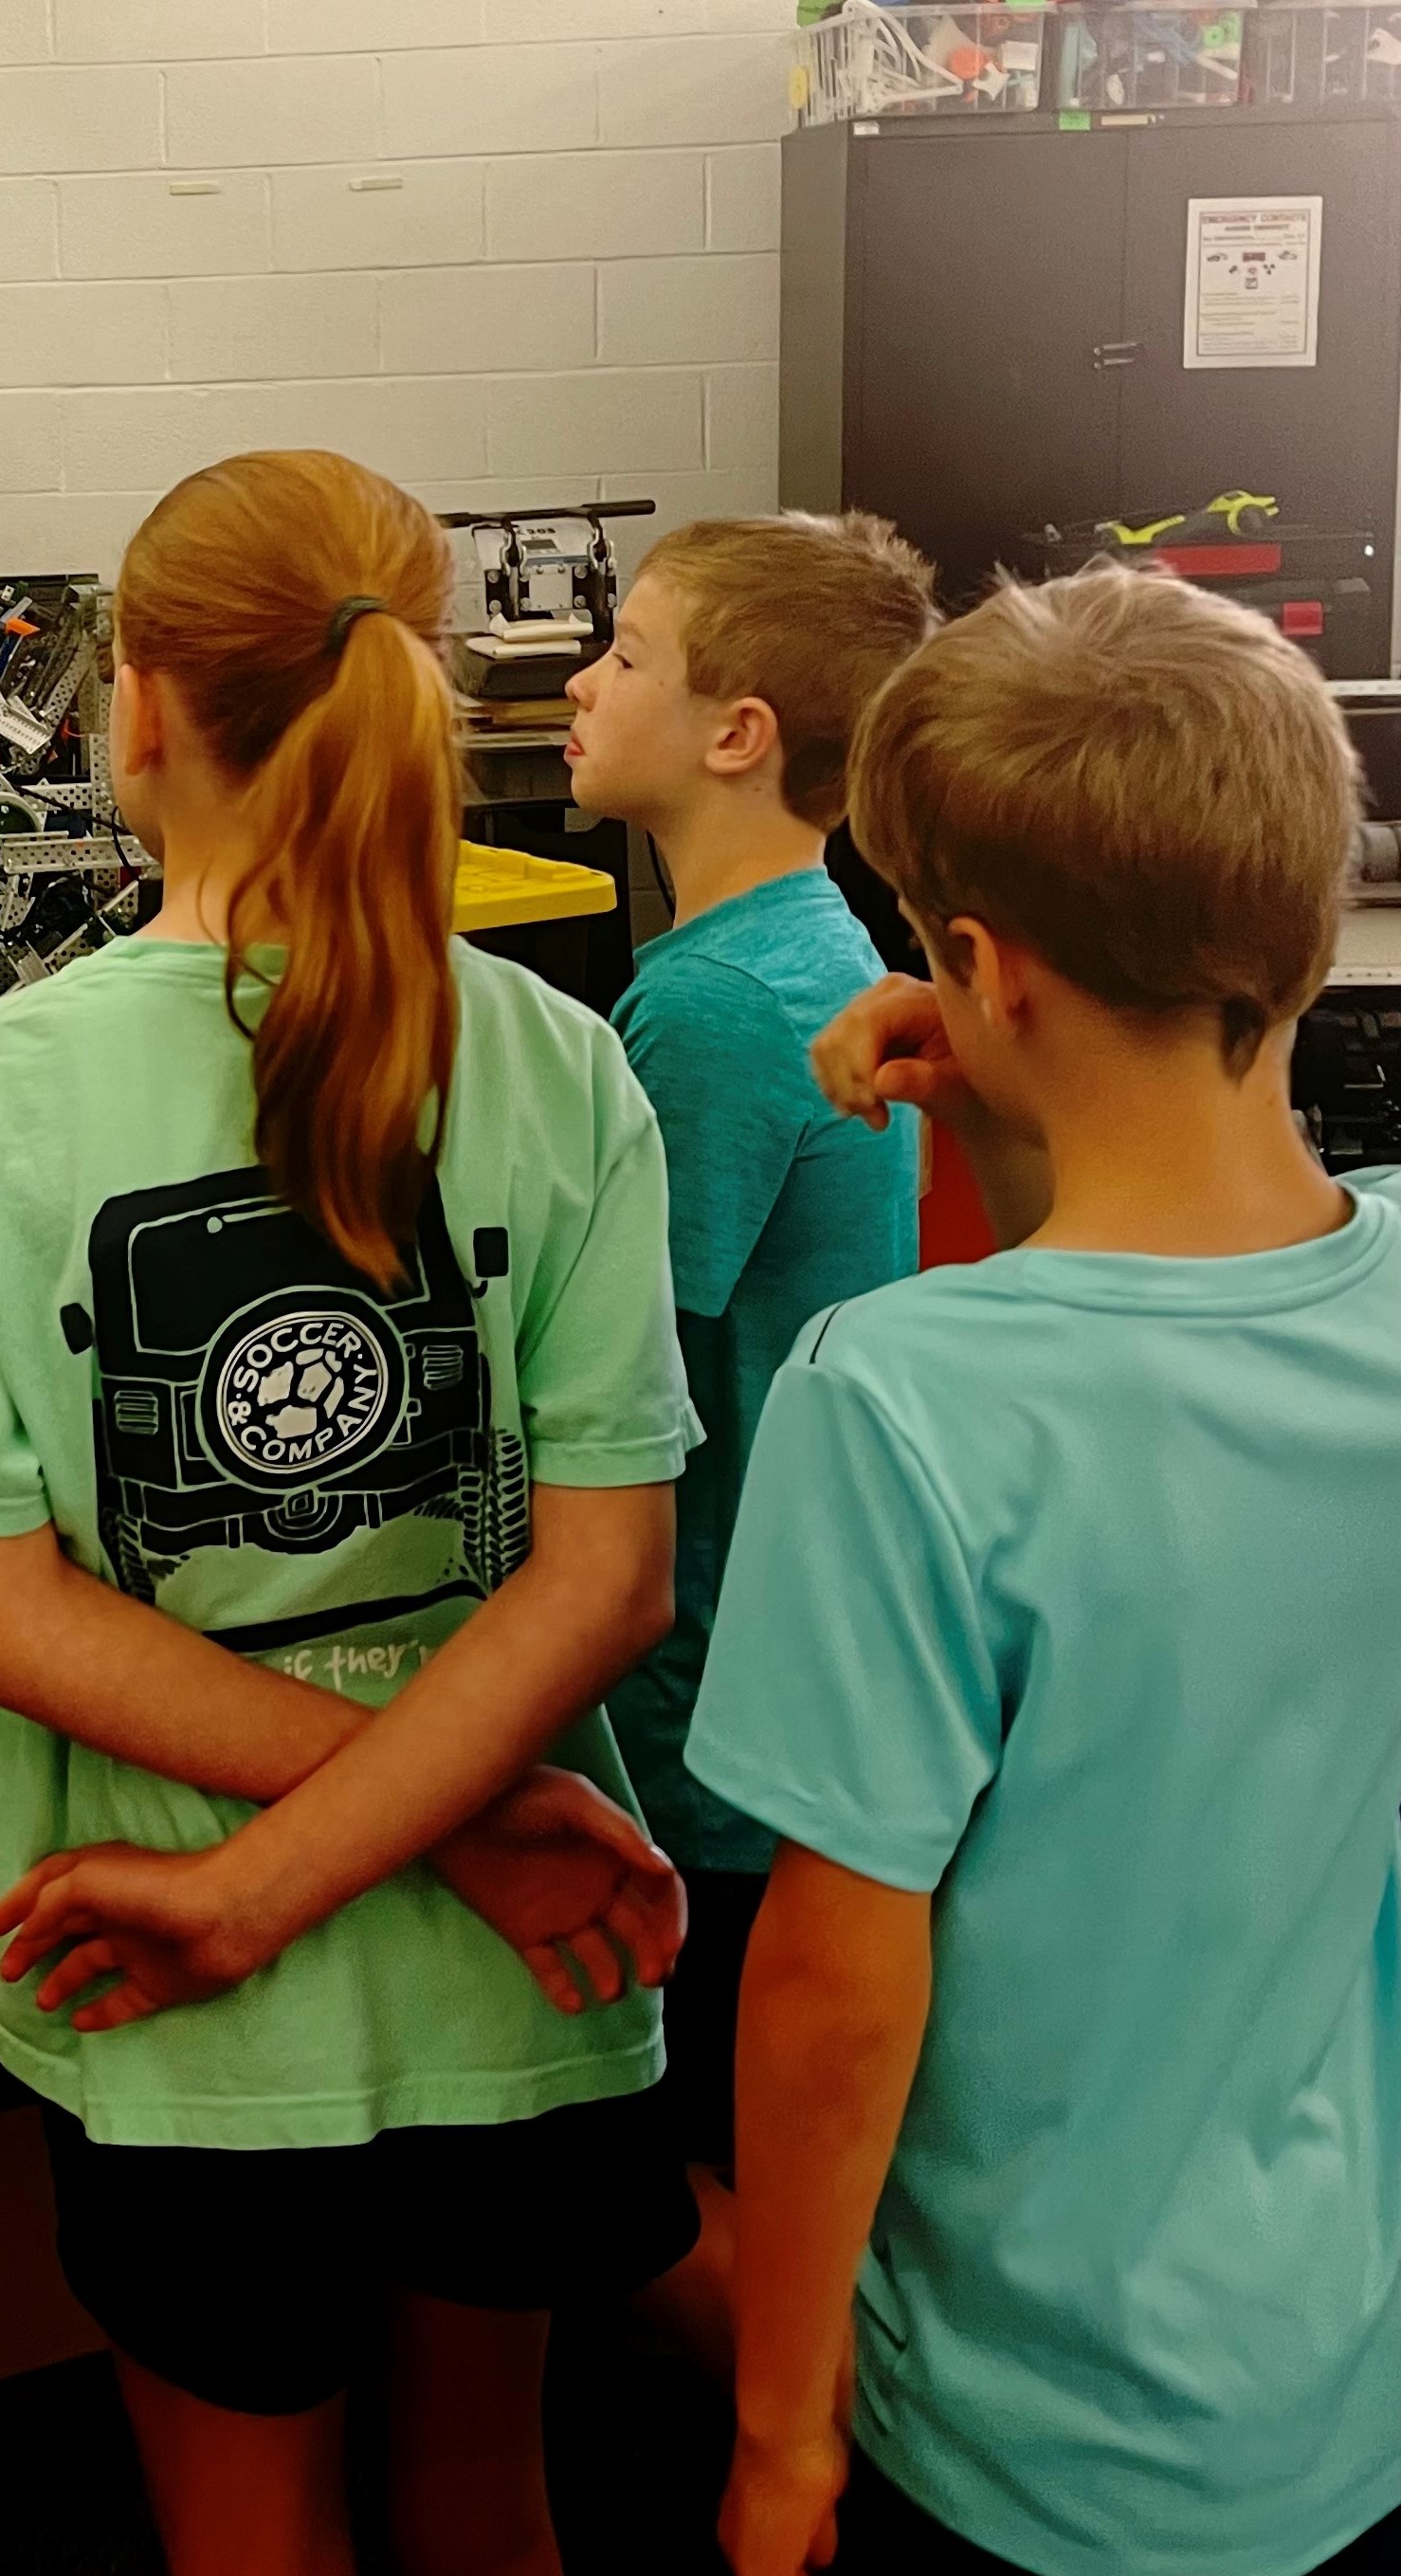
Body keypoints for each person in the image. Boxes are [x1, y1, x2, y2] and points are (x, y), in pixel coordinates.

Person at [0, 450, 702, 2576]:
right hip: (524, 1958)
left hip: (183, 1996)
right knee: (496, 2500)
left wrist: (254, 1888)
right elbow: (607, 1580)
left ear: (137, 712)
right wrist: (465, 1818)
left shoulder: (2, 1092)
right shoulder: (562, 1064)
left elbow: (3, 1621)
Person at [686, 568, 1401, 2576]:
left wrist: (777, 2430)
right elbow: (1146, 1347)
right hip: (1332, 2373)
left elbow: (835, 1988)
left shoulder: (899, 1399)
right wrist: (1011, 1109)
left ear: (981, 965)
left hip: (1028, 2433)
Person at [557, 512, 937, 2201]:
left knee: (675, 2204)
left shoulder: (712, 1011)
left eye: (626, 652)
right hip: (763, 1691)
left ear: (739, 732)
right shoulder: (790, 952)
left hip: (701, 1727)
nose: (581, 679)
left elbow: (614, 1373)